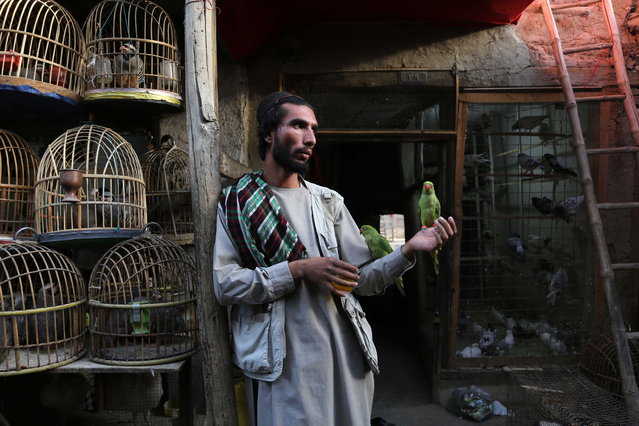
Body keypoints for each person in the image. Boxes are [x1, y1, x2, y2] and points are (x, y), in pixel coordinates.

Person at [213, 91, 457, 426]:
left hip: (346, 362)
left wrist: (408, 249)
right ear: (269, 133)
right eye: (298, 126)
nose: (311, 138)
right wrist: (298, 269)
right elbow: (225, 286)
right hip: (285, 370)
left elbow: (364, 282)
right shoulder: (238, 204)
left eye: (313, 129)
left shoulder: (329, 202)